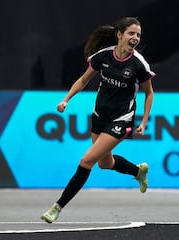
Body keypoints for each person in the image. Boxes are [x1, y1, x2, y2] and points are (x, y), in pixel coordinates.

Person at [41, 17, 155, 224]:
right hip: (100, 116)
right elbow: (84, 80)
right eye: (131, 33)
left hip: (122, 119)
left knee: (86, 161)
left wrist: (144, 121)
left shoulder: (139, 64)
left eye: (138, 35)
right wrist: (66, 100)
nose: (135, 38)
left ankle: (57, 207)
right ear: (119, 35)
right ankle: (138, 171)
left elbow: (149, 94)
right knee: (105, 163)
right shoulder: (103, 56)